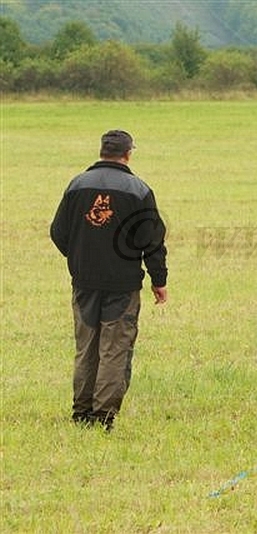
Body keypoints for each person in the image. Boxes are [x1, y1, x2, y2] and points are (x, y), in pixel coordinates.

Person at [50, 130, 168, 432]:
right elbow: (152, 241)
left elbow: (58, 232)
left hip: (84, 281)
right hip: (123, 284)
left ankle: (82, 412)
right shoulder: (138, 190)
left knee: (86, 346)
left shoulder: (77, 185)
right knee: (114, 348)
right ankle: (103, 416)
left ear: (102, 151)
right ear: (128, 154)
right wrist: (158, 280)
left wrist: (79, 257)